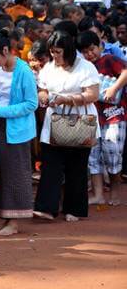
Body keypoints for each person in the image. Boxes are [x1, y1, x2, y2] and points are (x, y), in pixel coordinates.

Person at [0, 31, 38, 236]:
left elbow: (31, 104)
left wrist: (1, 111)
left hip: (17, 129)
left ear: (6, 50)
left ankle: (14, 221)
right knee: (1, 171)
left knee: (16, 173)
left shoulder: (24, 71)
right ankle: (4, 217)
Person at [34, 31, 100, 222]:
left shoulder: (85, 67)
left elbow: (93, 94)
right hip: (53, 119)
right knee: (50, 164)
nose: (55, 56)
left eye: (58, 52)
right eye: (52, 52)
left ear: (68, 50)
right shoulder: (49, 67)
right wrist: (44, 97)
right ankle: (46, 207)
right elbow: (42, 89)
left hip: (79, 119)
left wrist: (67, 99)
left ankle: (75, 209)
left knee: (76, 166)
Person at [76, 31, 127, 206]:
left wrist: (114, 88)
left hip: (114, 115)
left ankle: (114, 191)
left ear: (100, 46)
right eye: (86, 52)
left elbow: (126, 71)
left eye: (92, 50)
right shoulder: (82, 67)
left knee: (112, 153)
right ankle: (98, 194)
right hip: (91, 115)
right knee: (93, 155)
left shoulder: (109, 60)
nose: (90, 54)